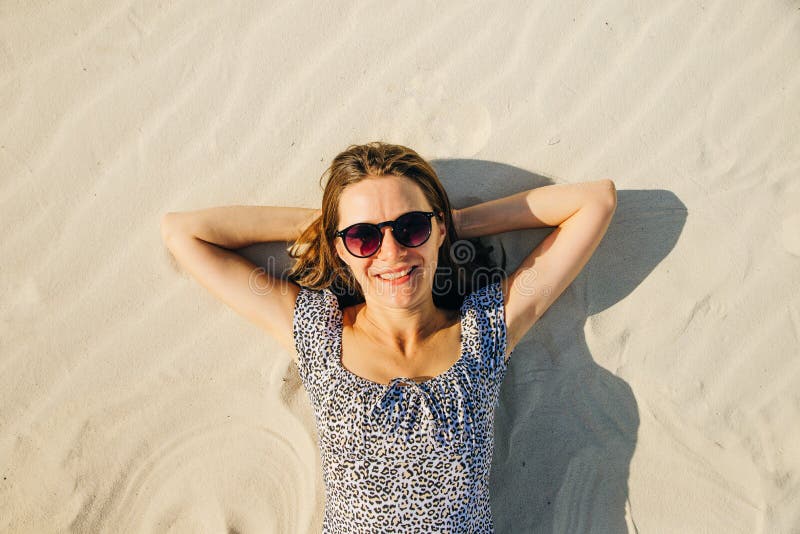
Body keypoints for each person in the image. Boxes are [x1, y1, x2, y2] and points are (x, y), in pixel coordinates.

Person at [160, 141, 617, 532]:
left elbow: (595, 202)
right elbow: (185, 234)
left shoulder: (486, 330)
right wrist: (328, 225)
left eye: (411, 227)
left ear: (438, 229)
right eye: (364, 238)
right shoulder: (319, 333)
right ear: (340, 248)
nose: (392, 252)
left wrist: (455, 222)